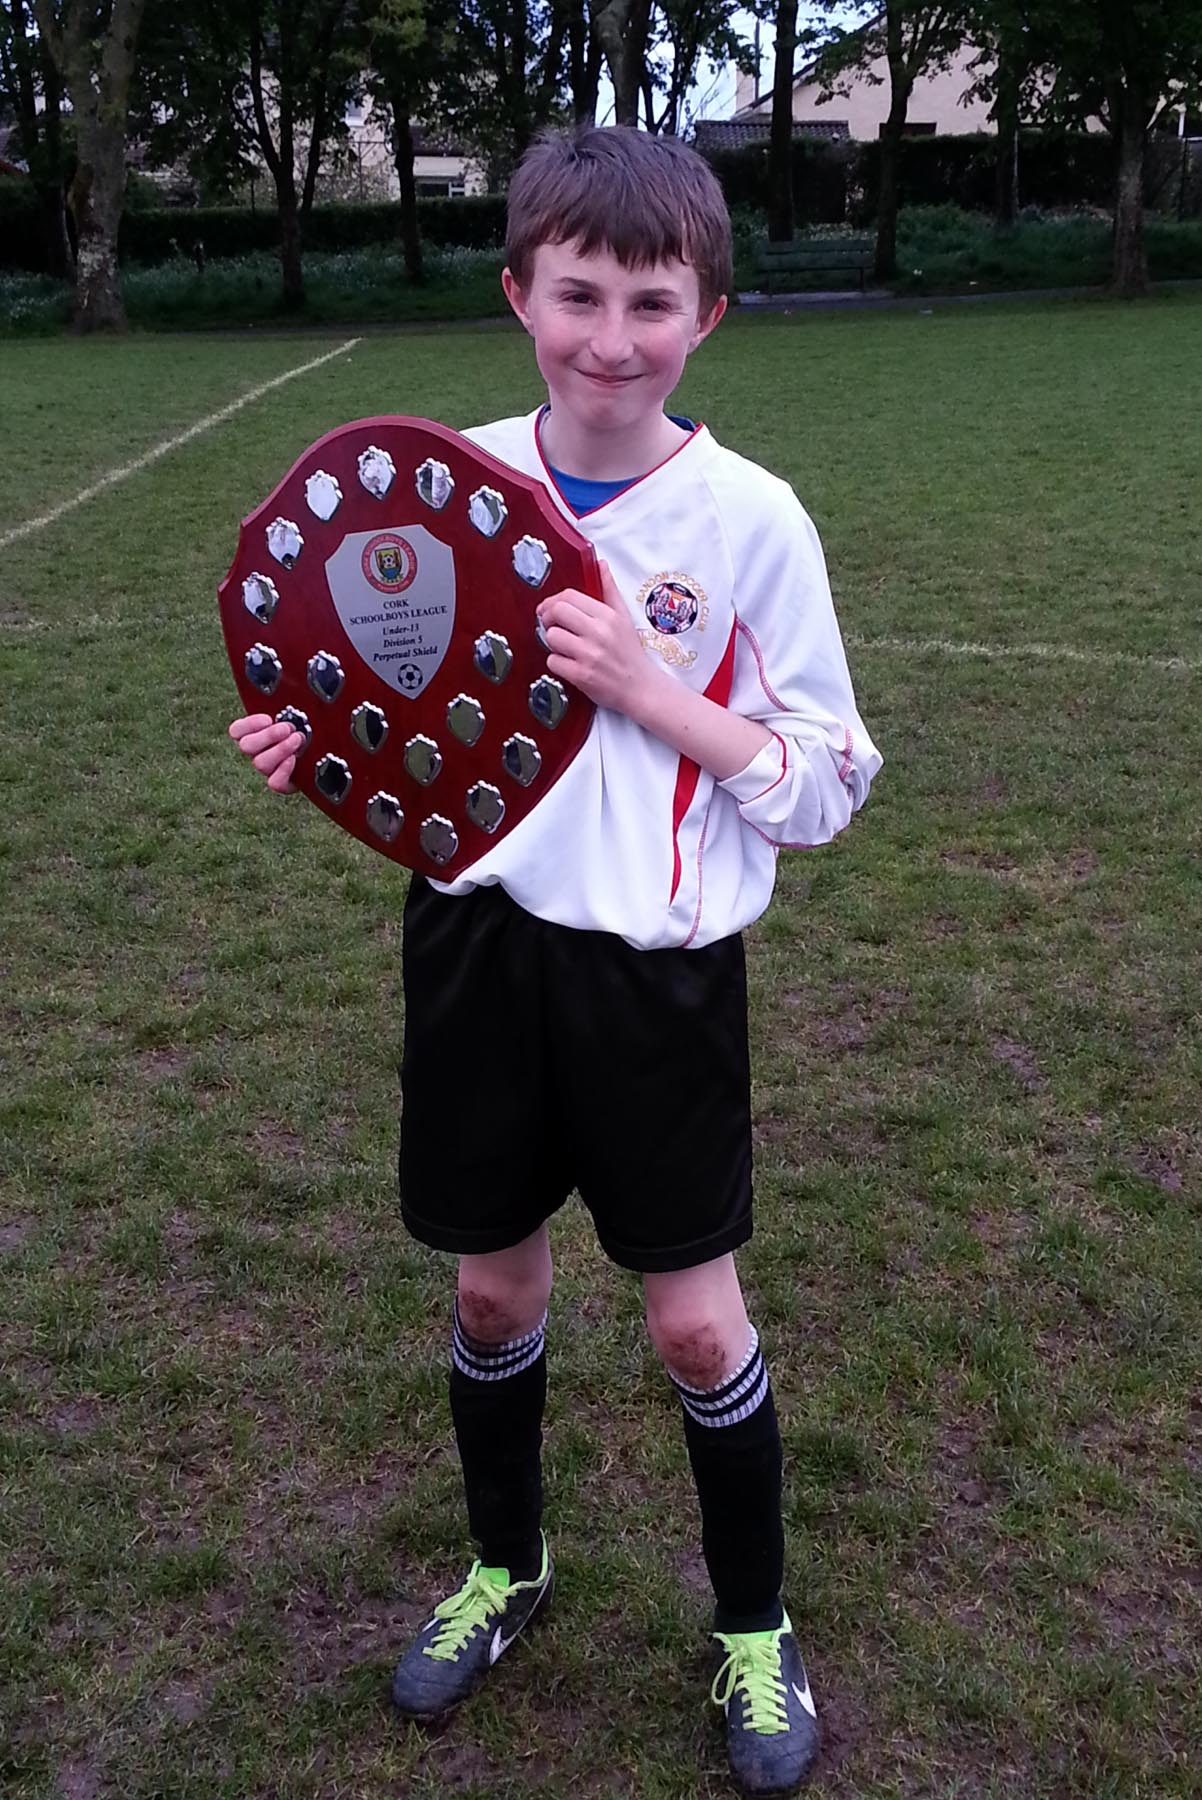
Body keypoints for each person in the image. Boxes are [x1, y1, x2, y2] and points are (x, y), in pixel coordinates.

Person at [230, 125, 882, 1796]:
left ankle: (753, 1629)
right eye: (575, 294)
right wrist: (323, 749)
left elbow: (823, 785)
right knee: (487, 1287)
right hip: (472, 957)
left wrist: (653, 694)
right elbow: (406, 720)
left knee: (689, 1330)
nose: (610, 337)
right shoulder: (437, 484)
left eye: (649, 302)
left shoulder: (748, 520)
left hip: (652, 983)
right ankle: (503, 1575)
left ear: (707, 316)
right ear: (515, 291)